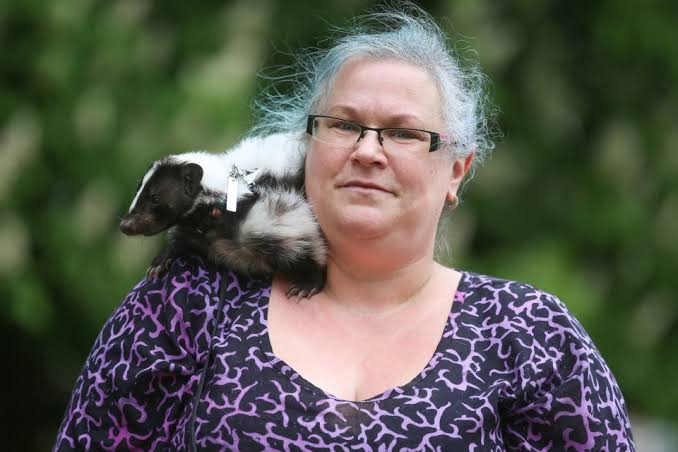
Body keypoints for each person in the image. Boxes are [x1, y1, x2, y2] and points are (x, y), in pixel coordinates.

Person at [54, 4, 634, 451]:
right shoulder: (186, 304)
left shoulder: (530, 337)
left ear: (456, 171)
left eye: (403, 133)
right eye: (344, 125)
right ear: (306, 145)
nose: (368, 151)